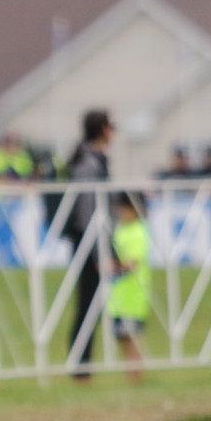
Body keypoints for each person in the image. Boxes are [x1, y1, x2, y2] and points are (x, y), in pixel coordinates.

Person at [63, 108, 113, 382]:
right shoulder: (88, 163)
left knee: (90, 303)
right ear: (103, 129)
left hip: (92, 240)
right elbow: (86, 210)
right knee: (86, 303)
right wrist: (97, 251)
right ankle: (81, 366)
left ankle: (83, 364)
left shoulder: (92, 158)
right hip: (88, 241)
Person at [106, 191, 150, 383]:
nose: (121, 212)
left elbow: (133, 262)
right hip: (117, 294)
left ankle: (137, 375)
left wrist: (112, 266)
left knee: (133, 336)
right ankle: (129, 373)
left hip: (134, 294)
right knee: (121, 337)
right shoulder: (120, 229)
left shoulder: (139, 230)